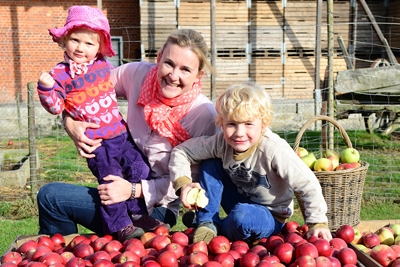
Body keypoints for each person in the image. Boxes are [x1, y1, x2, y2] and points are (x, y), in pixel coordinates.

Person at [36, 28, 219, 238]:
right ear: (158, 58)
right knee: (51, 196)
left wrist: (133, 190)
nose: (173, 76)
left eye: (185, 69)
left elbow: (189, 181)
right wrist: (70, 123)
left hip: (158, 207)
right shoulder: (138, 75)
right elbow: (85, 92)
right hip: (119, 183)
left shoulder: (203, 115)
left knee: (51, 198)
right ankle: (66, 256)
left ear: (199, 75)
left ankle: (60, 254)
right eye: (168, 63)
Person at [36, 5, 155, 242]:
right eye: (75, 40)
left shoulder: (104, 66)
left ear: (99, 47)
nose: (81, 47)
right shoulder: (60, 74)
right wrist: (45, 89)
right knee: (110, 180)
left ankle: (138, 212)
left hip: (121, 134)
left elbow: (121, 88)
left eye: (89, 43)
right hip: (98, 143)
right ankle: (120, 226)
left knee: (140, 168)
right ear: (64, 41)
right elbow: (56, 107)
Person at [169, 81, 333, 244]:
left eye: (248, 124)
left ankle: (215, 228)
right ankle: (206, 222)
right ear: (221, 123)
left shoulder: (274, 149)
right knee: (210, 163)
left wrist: (317, 222)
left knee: (243, 217)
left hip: (270, 213)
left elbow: (307, 182)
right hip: (237, 199)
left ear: (263, 124)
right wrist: (184, 184)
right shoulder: (220, 143)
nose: (239, 133)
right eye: (231, 124)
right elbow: (182, 151)